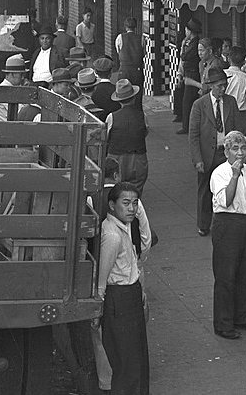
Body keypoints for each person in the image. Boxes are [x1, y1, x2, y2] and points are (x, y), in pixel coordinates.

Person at [209, 130, 246, 340]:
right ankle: (223, 323)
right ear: (227, 151)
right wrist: (234, 174)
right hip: (227, 224)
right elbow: (226, 200)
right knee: (226, 275)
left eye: (243, 148)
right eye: (235, 148)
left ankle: (242, 316)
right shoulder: (220, 173)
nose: (240, 153)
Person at [96, 182, 150, 394]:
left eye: (134, 203)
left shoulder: (124, 226)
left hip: (131, 294)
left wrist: (141, 289)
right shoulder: (112, 235)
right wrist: (98, 309)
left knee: (136, 359)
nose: (131, 208)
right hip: (119, 300)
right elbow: (103, 278)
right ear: (112, 205)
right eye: (126, 203)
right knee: (127, 364)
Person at [189, 67, 241, 237]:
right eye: (219, 86)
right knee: (205, 191)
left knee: (230, 189)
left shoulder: (231, 102)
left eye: (224, 85)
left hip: (225, 154)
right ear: (211, 86)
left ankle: (227, 224)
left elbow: (238, 129)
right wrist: (197, 159)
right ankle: (203, 225)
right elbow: (194, 135)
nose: (223, 89)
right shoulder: (199, 105)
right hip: (207, 155)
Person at [105, 78, 149, 197]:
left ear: (119, 101)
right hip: (138, 157)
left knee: (116, 192)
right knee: (136, 190)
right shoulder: (142, 116)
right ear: (134, 98)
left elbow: (106, 138)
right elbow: (145, 132)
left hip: (117, 157)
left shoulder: (111, 117)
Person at [176, 18, 202, 134]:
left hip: (193, 73)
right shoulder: (191, 42)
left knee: (188, 101)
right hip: (187, 72)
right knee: (183, 97)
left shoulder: (194, 43)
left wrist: (182, 46)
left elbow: (184, 56)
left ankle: (186, 126)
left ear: (190, 31)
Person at [224, 46, 246, 129]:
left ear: (229, 59)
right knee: (240, 139)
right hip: (242, 114)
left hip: (224, 110)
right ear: (244, 61)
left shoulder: (223, 74)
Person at [0, 54, 29, 122]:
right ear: (11, 74)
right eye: (21, 74)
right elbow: (22, 113)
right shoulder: (4, 90)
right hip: (9, 128)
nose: (23, 77)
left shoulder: (14, 88)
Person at [116, 16, 146, 88]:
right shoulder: (141, 38)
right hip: (137, 70)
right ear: (135, 27)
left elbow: (118, 51)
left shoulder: (120, 37)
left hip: (124, 70)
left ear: (125, 26)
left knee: (124, 93)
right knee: (137, 93)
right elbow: (144, 53)